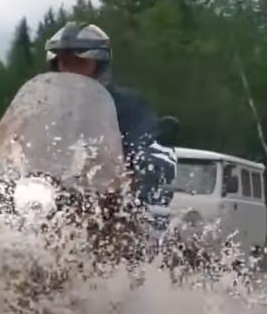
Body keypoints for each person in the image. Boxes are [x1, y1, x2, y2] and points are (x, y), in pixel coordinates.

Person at [43, 22, 175, 206]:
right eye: (65, 63)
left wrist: (141, 168)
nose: (70, 70)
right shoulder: (47, 109)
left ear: (99, 66)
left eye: (79, 63)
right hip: (54, 201)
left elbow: (154, 150)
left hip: (110, 204)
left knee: (135, 225)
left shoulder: (128, 106)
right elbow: (19, 147)